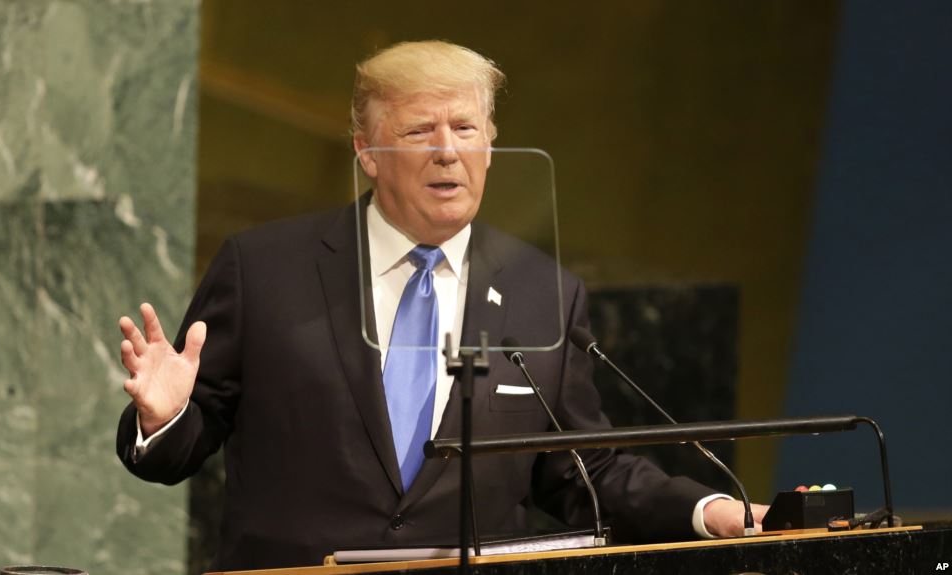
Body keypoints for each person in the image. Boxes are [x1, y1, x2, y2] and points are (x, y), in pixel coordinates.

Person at [115, 40, 767, 571]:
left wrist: (708, 508)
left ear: (489, 142)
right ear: (365, 151)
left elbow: (581, 468)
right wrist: (165, 418)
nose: (447, 150)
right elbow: (184, 442)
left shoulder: (544, 291)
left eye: (465, 127)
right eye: (420, 129)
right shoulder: (263, 269)